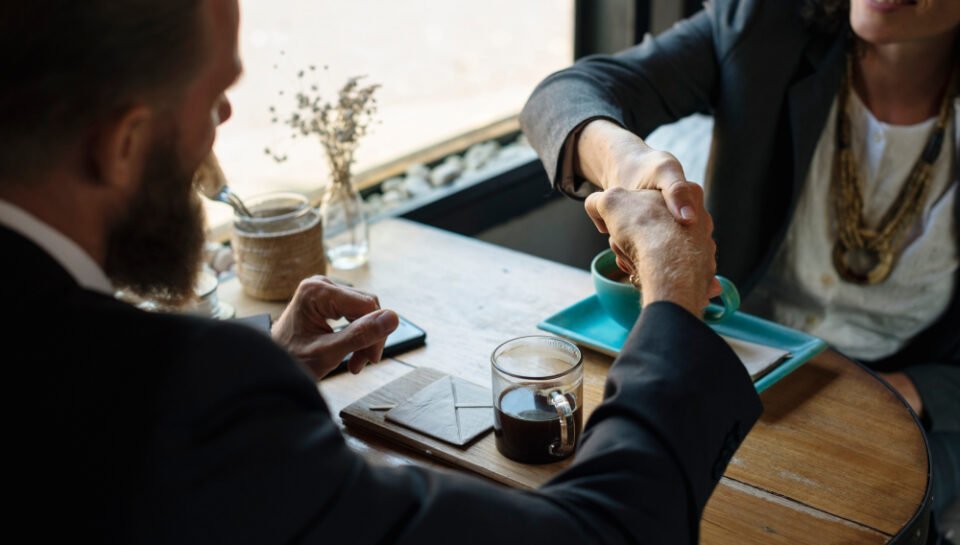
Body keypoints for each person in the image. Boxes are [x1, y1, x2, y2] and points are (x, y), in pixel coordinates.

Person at [0, 1, 762, 543]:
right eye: (215, 99)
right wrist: (671, 293)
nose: (218, 130)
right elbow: (602, 532)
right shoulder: (177, 402)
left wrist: (262, 363)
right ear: (124, 141)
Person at [521, 0, 959, 529]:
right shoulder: (765, 25)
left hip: (912, 409)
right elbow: (560, 97)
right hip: (741, 374)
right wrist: (626, 161)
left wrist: (913, 391)